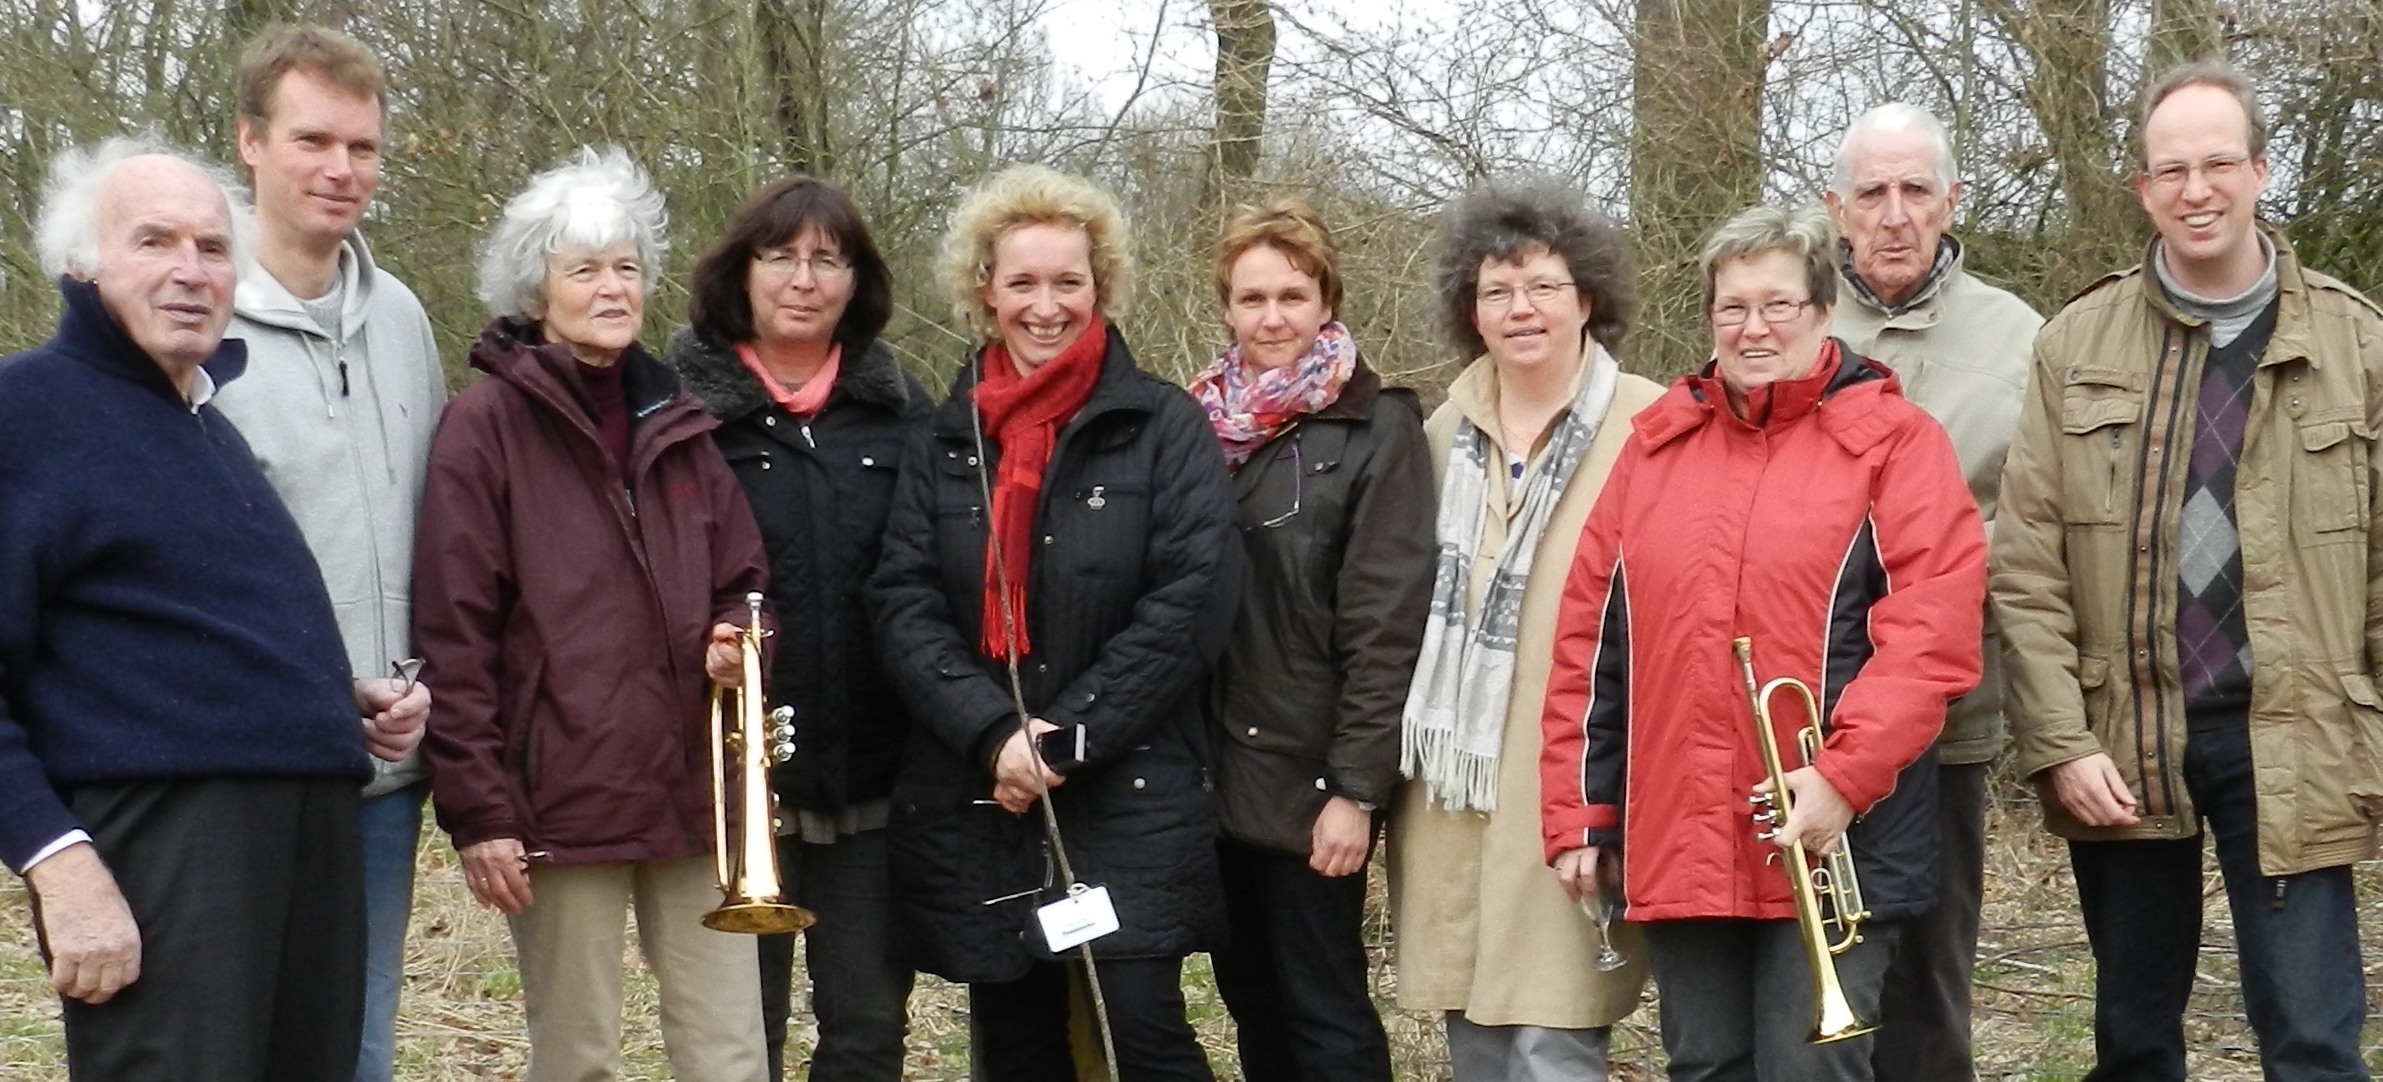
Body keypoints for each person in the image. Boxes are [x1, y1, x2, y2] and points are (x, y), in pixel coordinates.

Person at [0, 137, 430, 1080]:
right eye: (155, 241)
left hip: (305, 842)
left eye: (212, 247)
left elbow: (163, 635)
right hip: (169, 854)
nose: (191, 271)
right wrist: (58, 863)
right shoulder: (29, 414)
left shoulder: (200, 422)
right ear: (83, 265)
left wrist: (324, 697)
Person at [1992, 61, 2383, 1082]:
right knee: (2131, 1040)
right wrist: (2060, 743)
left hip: (2294, 734)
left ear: (2259, 170)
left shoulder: (2356, 342)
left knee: (2313, 1039)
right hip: (2123, 741)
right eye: (2171, 168)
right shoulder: (2073, 342)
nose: (2195, 188)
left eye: (2217, 163)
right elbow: (2026, 568)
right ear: (2142, 188)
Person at [1540, 202, 1986, 1082]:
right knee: (1704, 1066)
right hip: (1680, 826)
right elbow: (1591, 643)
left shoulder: (1895, 445)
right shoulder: (1656, 450)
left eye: (1777, 305)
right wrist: (1581, 811)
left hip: (1833, 832)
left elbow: (1929, 639)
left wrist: (1842, 779)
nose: (1753, 328)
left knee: (1810, 1071)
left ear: (1823, 313)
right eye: (1731, 307)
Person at [868, 163, 1240, 1081]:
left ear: (1099, 287)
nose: (1045, 306)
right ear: (985, 291)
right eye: (1023, 282)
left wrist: (1065, 739)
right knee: (1017, 1043)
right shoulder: (943, 439)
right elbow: (903, 600)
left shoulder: (1164, 423)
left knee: (1142, 1034)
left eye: (1067, 281)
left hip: (1128, 788)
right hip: (983, 792)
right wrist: (993, 733)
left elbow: (1190, 599)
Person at [412, 147, 773, 1082]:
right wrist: (480, 811)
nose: (612, 287)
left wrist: (742, 635)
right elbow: (453, 634)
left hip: (696, 797)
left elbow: (746, 578)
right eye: (584, 269)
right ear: (536, 293)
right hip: (556, 801)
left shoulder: (684, 424)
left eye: (626, 267)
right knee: (577, 1057)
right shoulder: (481, 429)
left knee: (730, 1052)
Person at [209, 28, 450, 1082]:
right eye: (314, 139)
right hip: (239, 775)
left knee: (359, 1046)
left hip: (385, 774)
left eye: (362, 146)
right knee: (235, 1041)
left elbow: (438, 530)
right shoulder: (189, 315)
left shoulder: (402, 317)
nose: (341, 169)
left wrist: (423, 682)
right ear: (251, 142)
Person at [1386, 174, 1658, 1082]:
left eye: (1543, 285)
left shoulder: (1653, 428)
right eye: (1496, 290)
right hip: (1454, 794)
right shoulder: (1435, 435)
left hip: (1573, 777)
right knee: (1474, 1027)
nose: (1521, 309)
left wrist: (1610, 797)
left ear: (1587, 297)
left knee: (1555, 1032)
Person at [666, 176, 929, 1082]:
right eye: (781, 256)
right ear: (741, 272)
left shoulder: (904, 415)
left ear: (857, 282)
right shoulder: (676, 413)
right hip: (733, 790)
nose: (804, 279)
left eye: (828, 259)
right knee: (744, 1037)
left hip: (874, 781)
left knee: (865, 1033)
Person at [1821, 101, 2042, 1082]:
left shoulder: (2020, 341)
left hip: (1946, 725)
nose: (1895, 212)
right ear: (1837, 208)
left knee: (1923, 996)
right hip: (1799, 732)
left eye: (1917, 189)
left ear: (1952, 199)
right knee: (1805, 997)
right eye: (1873, 191)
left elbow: (2040, 526)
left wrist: (1932, 576)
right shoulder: (1785, 321)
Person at [1193, 198, 1434, 1082]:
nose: (1271, 318)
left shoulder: (1375, 430)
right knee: (1251, 1005)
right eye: (1251, 298)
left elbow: (1387, 623)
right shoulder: (1198, 426)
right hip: (1212, 775)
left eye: (1291, 296)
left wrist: (1355, 790)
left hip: (1309, 781)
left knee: (1324, 1010)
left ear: (1325, 301)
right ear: (1225, 306)